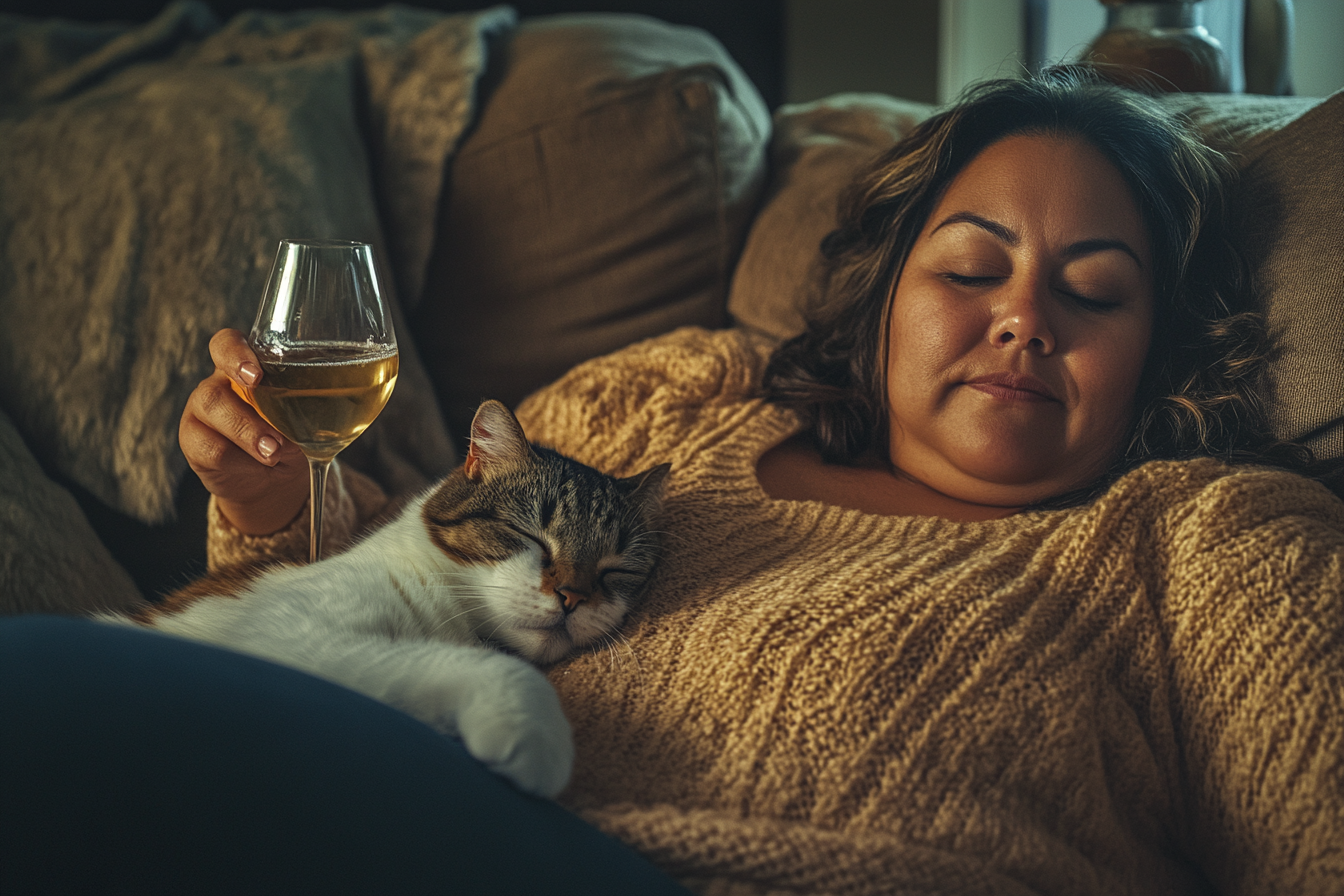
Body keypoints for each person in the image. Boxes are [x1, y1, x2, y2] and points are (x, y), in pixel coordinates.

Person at [22, 68, 1344, 894]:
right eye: (968, 268)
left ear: (1157, 350)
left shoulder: (1210, 542)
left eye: (1092, 292)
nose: (1022, 321)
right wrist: (270, 513)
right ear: (884, 295)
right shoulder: (671, 399)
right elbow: (378, 612)